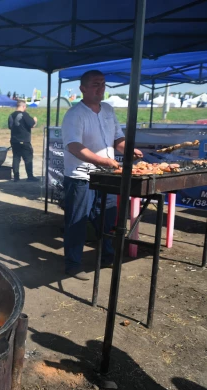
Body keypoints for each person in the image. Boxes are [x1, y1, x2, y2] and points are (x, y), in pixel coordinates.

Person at [62, 70, 143, 280]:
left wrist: (128, 149)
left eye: (103, 84)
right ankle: (72, 264)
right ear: (83, 89)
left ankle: (108, 255)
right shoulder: (74, 114)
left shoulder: (108, 110)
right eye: (96, 84)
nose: (101, 88)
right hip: (81, 176)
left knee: (106, 219)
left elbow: (117, 139)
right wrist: (104, 161)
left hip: (106, 176)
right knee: (77, 221)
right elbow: (74, 146)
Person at [8, 100, 38, 182]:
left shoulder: (11, 115)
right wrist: (35, 120)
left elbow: (10, 126)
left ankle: (16, 177)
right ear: (23, 106)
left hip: (14, 140)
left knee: (16, 158)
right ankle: (30, 176)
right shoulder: (24, 115)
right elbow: (32, 124)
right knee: (28, 158)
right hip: (24, 140)